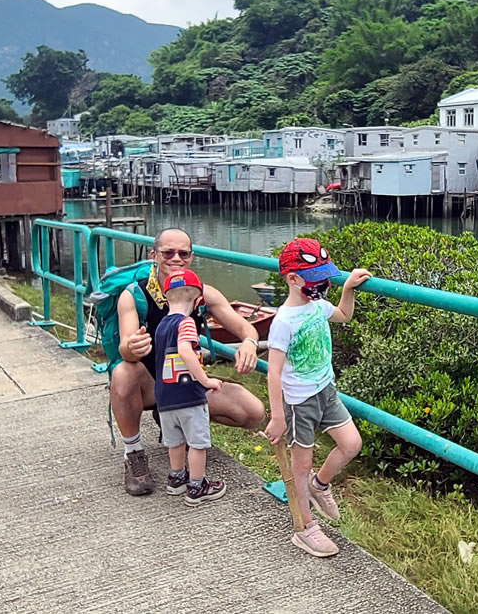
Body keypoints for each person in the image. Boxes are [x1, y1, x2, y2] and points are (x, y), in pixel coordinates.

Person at [112, 228, 265, 496]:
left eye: (183, 253)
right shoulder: (133, 295)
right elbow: (125, 348)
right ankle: (134, 453)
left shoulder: (202, 294)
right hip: (152, 384)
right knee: (123, 374)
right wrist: (132, 347)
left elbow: (246, 329)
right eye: (168, 252)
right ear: (154, 255)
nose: (176, 258)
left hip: (187, 383)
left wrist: (250, 345)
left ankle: (175, 424)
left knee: (252, 412)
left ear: (191, 257)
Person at [265, 237, 371, 558]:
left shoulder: (317, 306)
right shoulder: (283, 322)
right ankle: (305, 527)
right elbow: (273, 372)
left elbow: (342, 315)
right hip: (299, 404)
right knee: (301, 465)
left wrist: (348, 288)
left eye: (326, 277)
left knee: (351, 444)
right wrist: (278, 416)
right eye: (316, 279)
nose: (322, 284)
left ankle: (320, 485)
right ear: (293, 279)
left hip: (327, 391)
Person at [154, 269, 226, 505]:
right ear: (198, 302)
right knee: (197, 443)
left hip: (165, 397)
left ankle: (176, 478)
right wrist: (206, 381)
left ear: (166, 299)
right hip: (189, 396)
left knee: (175, 441)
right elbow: (185, 351)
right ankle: (197, 486)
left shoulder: (162, 325)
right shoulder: (186, 323)